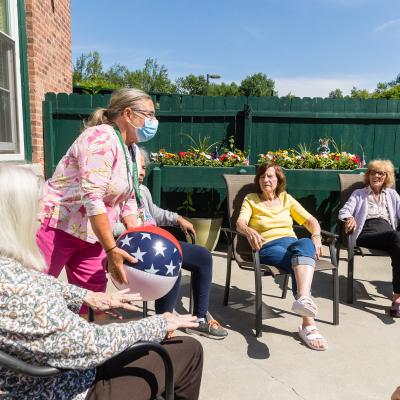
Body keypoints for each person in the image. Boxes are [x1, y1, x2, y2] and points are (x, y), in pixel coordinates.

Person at [0, 164, 203, 400]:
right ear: (14, 215)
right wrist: (159, 323)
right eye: (36, 208)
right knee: (189, 350)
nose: (42, 215)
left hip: (48, 377)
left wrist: (86, 296)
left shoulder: (9, 272)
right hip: (70, 388)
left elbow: (42, 287)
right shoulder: (20, 289)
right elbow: (91, 345)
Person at [36, 88, 157, 316]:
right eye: (149, 115)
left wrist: (140, 238)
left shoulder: (130, 149)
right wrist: (111, 249)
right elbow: (93, 198)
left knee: (94, 303)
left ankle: (88, 347)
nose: (154, 121)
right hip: (57, 227)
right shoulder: (100, 138)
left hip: (93, 235)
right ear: (128, 114)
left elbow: (129, 198)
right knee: (35, 292)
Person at [115, 149, 228, 339]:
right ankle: (163, 324)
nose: (142, 172)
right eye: (137, 167)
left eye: (144, 167)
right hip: (135, 249)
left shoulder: (143, 190)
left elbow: (155, 214)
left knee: (203, 256)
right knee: (171, 265)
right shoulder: (117, 192)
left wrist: (177, 218)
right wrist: (131, 229)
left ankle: (199, 318)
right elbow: (107, 224)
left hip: (159, 243)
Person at [236, 162, 327, 351]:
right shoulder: (251, 199)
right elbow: (240, 223)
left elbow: (310, 221)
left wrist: (316, 236)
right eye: (262, 176)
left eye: (270, 176)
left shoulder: (286, 199)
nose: (266, 180)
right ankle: (308, 324)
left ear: (278, 181)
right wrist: (248, 231)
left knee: (306, 244)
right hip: (268, 245)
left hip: (292, 244)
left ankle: (302, 299)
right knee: (300, 261)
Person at [338, 159, 400, 316]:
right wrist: (349, 218)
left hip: (388, 234)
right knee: (396, 237)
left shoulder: (392, 194)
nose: (376, 176)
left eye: (381, 173)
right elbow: (344, 211)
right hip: (367, 232)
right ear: (368, 175)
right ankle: (398, 297)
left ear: (387, 177)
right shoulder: (359, 194)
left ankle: (397, 297)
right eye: (373, 172)